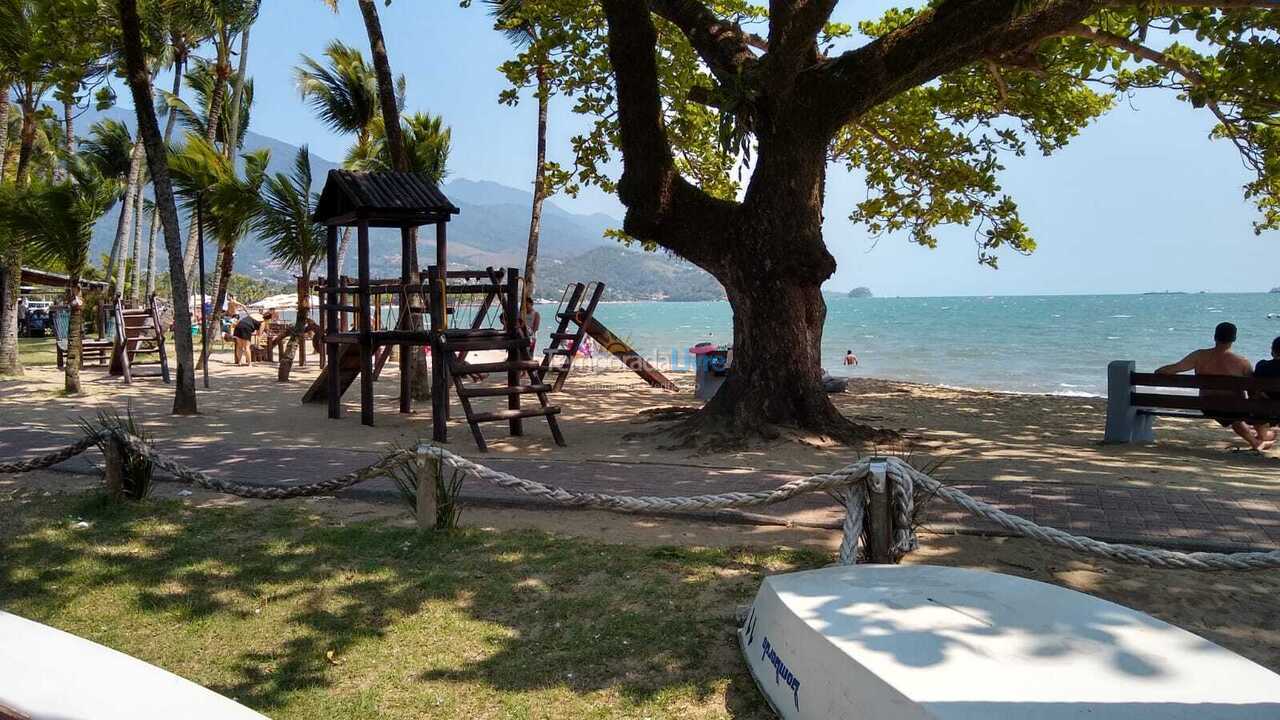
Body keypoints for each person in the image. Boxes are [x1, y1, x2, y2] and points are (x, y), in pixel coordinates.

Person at [1156, 322, 1269, 451]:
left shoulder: (1199, 356)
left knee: (1232, 416)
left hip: (1207, 405)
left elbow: (1175, 368)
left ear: (1215, 337)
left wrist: (1159, 371)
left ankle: (1259, 440)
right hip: (1236, 407)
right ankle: (1259, 441)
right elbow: (1252, 390)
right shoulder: (1242, 362)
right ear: (1234, 339)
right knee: (1243, 412)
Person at [1251, 336, 1280, 449]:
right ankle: (1266, 437)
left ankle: (1264, 437)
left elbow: (1254, 390)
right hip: (1270, 408)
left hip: (1263, 409)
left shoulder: (1261, 366)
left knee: (1260, 399)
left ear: (1273, 351)